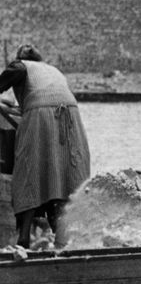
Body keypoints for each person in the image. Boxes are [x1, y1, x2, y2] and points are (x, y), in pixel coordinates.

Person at [0, 45, 90, 248]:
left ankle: (23, 239)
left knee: (28, 172)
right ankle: (63, 237)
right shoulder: (53, 71)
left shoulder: (21, 66)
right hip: (70, 118)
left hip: (42, 116)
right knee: (62, 173)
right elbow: (37, 101)